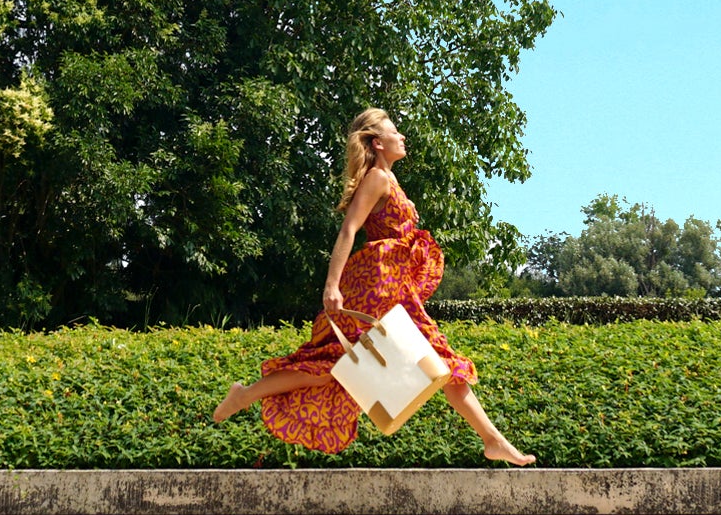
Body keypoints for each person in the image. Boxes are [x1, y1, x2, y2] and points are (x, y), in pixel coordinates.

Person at [212, 108, 536, 466]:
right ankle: (245, 395)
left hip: (395, 288)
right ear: (378, 143)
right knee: (354, 363)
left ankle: (493, 441)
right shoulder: (377, 178)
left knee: (425, 365)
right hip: (376, 286)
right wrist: (331, 285)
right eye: (395, 132)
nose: (403, 137)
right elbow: (349, 229)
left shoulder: (391, 180)